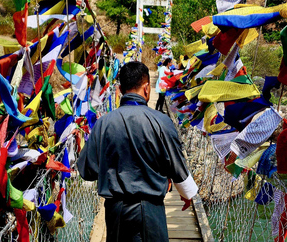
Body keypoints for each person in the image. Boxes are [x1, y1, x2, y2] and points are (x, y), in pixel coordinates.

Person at [77, 61, 198, 242]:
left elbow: (87, 171)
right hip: (150, 211)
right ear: (147, 88)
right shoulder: (161, 122)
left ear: (119, 89)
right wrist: (187, 193)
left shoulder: (103, 123)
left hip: (115, 211)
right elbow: (177, 164)